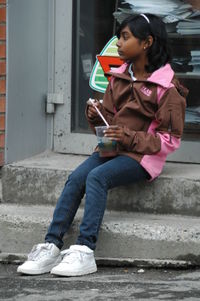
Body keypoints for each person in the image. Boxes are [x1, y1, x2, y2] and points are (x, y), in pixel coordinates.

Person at [17, 13, 187, 277]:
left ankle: (85, 250)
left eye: (125, 37)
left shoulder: (166, 88)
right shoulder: (118, 77)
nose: (118, 42)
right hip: (111, 147)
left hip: (143, 157)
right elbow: (108, 119)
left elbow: (170, 140)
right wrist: (95, 117)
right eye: (119, 36)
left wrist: (129, 137)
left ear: (147, 43)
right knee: (76, 178)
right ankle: (51, 245)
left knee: (96, 177)